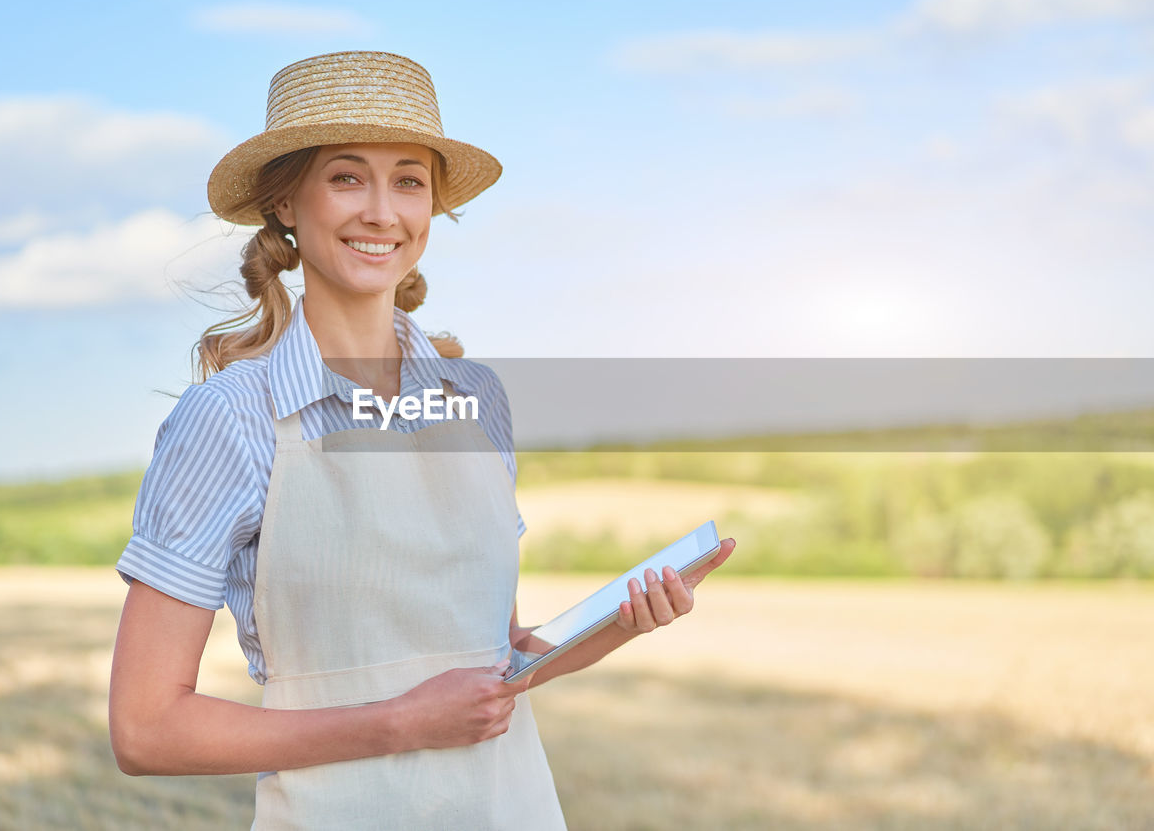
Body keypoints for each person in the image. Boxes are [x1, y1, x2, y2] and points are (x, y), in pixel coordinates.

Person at [108, 50, 734, 830]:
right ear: (286, 205)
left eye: (409, 180)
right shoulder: (232, 417)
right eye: (346, 177)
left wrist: (616, 621)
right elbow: (144, 728)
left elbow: (493, 664)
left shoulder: (477, 400)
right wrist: (397, 723)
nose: (382, 211)